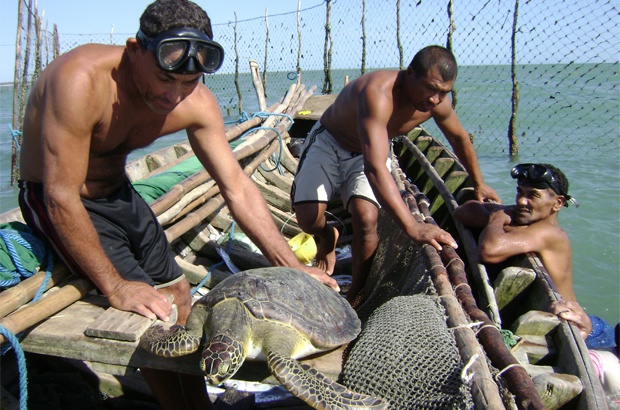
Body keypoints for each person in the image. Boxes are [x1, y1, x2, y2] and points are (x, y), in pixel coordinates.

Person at [17, 1, 337, 408]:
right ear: (135, 50)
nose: (174, 94)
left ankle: (196, 401)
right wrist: (116, 286)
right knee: (147, 309)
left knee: (180, 293)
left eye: (189, 82)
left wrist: (295, 269)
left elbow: (236, 186)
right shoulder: (79, 80)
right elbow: (60, 198)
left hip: (118, 192)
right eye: (165, 78)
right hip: (56, 197)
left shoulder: (196, 102)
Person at [291, 45, 499, 305]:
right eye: (430, 88)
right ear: (409, 73)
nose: (435, 99)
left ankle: (357, 294)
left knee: (366, 219)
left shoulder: (436, 104)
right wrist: (412, 227)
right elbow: (376, 168)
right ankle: (327, 235)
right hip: (330, 141)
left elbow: (458, 138)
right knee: (308, 220)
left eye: (443, 92)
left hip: (368, 152)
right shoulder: (378, 93)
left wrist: (479, 182)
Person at [453, 163, 617, 354]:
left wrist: (498, 218)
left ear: (557, 203)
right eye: (520, 193)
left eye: (533, 195)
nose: (522, 201)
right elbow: (464, 211)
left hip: (586, 332)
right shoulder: (528, 225)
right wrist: (506, 219)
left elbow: (489, 249)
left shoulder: (550, 233)